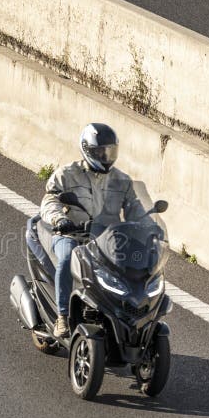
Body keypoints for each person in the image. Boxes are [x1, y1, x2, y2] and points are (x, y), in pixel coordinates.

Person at [40, 123, 144, 338]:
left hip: (105, 239)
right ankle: (63, 315)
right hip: (72, 234)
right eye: (99, 151)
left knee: (131, 265)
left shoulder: (122, 181)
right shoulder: (67, 174)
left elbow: (136, 209)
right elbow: (50, 200)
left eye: (109, 151)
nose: (105, 156)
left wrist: (146, 228)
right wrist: (59, 218)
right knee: (68, 258)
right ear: (87, 149)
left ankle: (123, 317)